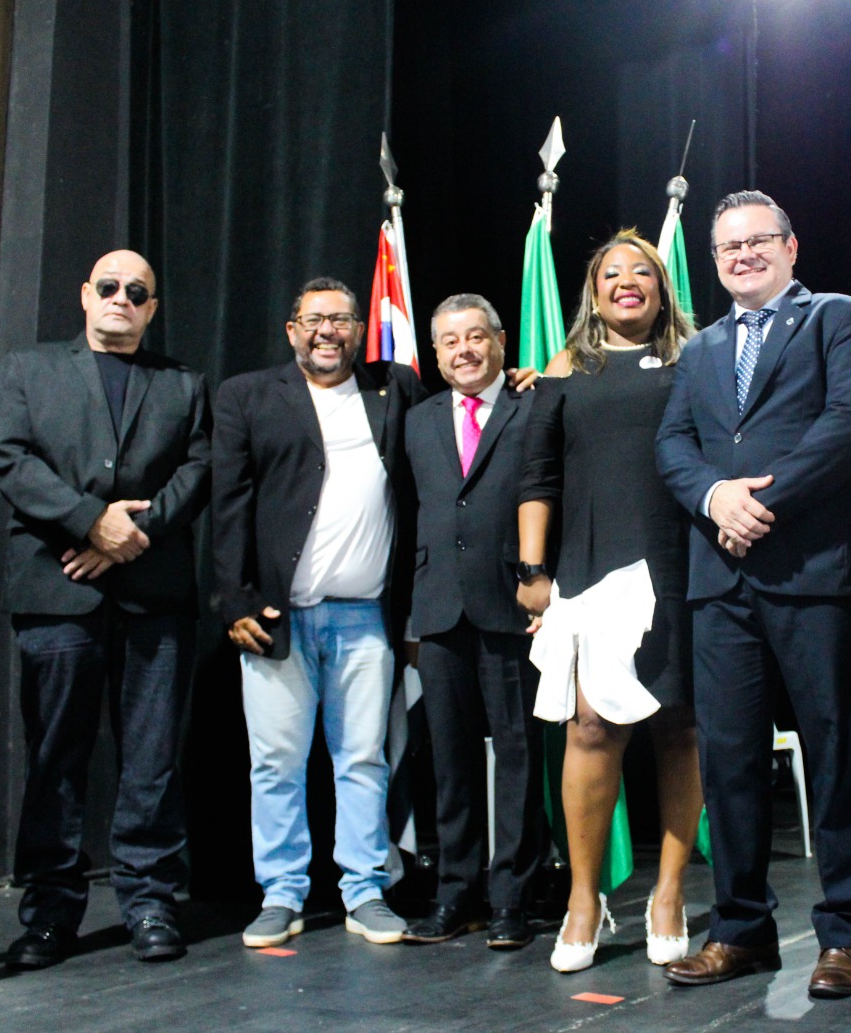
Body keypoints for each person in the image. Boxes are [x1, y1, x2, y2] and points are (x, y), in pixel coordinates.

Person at [656, 191, 851, 999]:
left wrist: (761, 504)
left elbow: (848, 421)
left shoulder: (838, 318)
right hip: (721, 581)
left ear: (791, 245)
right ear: (715, 261)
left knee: (834, 752)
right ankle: (741, 930)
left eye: (759, 241)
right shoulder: (700, 348)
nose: (744, 254)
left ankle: (846, 936)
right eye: (729, 247)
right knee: (729, 762)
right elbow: (673, 443)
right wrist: (716, 498)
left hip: (814, 572)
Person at [0, 249, 210, 967]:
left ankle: (150, 902)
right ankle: (50, 912)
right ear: (86, 294)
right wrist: (90, 522)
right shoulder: (27, 369)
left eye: (137, 291)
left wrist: (124, 540)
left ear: (151, 308)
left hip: (155, 598)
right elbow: (11, 460)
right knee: (56, 755)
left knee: (152, 759)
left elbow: (198, 470)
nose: (122, 298)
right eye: (109, 286)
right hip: (56, 591)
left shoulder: (183, 383)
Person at [212, 277, 426, 950]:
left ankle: (365, 891)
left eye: (341, 319)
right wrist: (233, 600)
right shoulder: (247, 396)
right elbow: (227, 505)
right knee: (275, 764)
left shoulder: (394, 388)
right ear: (292, 330)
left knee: (362, 761)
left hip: (366, 619)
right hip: (277, 618)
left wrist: (522, 378)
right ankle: (281, 893)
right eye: (314, 320)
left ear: (359, 329)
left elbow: (460, 415)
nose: (327, 331)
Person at [517, 230, 702, 974]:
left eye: (642, 271)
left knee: (679, 727)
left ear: (661, 287)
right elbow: (538, 475)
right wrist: (533, 569)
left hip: (680, 563)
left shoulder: (697, 359)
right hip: (591, 567)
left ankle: (670, 893)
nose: (627, 281)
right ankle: (584, 900)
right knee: (591, 728)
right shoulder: (566, 367)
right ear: (593, 294)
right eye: (611, 273)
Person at [399, 294, 546, 950]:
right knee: (451, 762)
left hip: (512, 605)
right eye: (451, 341)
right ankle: (456, 894)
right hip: (437, 609)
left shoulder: (532, 406)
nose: (465, 350)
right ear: (436, 354)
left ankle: (512, 898)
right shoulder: (416, 419)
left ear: (500, 341)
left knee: (517, 755)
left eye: (476, 336)